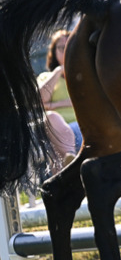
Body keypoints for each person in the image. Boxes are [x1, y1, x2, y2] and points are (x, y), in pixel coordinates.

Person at [37, 30, 81, 165]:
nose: (66, 51)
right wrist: (57, 72)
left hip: (84, 127)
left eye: (69, 46)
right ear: (54, 52)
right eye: (62, 47)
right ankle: (70, 158)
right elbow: (40, 101)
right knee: (50, 117)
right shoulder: (45, 77)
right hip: (59, 131)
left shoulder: (84, 75)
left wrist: (54, 105)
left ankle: (70, 163)